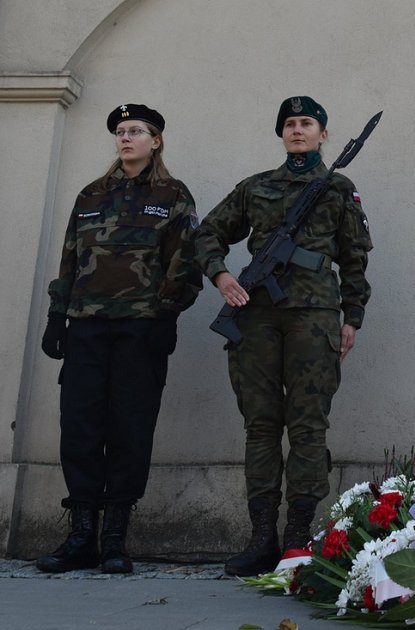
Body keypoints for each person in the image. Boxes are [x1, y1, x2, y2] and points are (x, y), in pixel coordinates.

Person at [195, 96, 373, 576]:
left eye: (307, 123)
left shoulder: (338, 187)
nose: (298, 130)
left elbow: (355, 257)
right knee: (261, 425)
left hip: (314, 316)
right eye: (290, 124)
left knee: (309, 426)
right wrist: (221, 276)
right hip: (255, 316)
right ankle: (260, 538)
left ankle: (297, 536)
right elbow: (207, 233)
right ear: (282, 134)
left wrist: (351, 316)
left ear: (322, 135)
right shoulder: (256, 187)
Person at [37, 104, 202, 574]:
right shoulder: (91, 194)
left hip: (140, 329)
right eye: (121, 131)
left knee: (129, 430)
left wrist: (168, 314)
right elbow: (69, 257)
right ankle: (80, 536)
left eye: (137, 131)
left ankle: (114, 539)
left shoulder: (172, 195)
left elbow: (184, 261)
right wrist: (56, 315)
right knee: (81, 428)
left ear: (156, 141)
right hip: (86, 326)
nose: (126, 138)